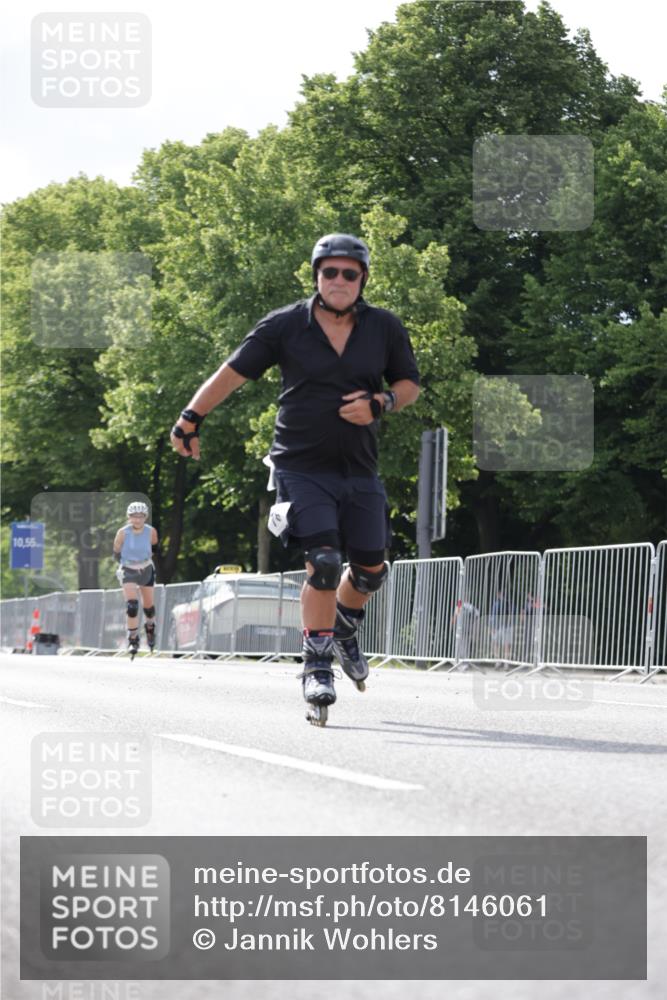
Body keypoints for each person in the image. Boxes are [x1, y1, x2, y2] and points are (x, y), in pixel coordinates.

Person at [170, 233, 421, 724]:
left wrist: (382, 402)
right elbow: (232, 373)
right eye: (330, 272)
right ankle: (317, 666)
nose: (340, 280)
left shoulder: (384, 327)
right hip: (300, 466)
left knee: (372, 570)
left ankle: (345, 624)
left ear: (363, 279)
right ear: (317, 276)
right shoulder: (285, 325)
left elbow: (408, 384)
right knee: (323, 562)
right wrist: (190, 418)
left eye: (350, 273)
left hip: (359, 468)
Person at [112, 501, 159, 657]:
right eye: (134, 516)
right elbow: (116, 552)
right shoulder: (122, 533)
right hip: (128, 569)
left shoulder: (151, 531)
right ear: (129, 517)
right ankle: (133, 639)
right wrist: (128, 564)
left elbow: (154, 548)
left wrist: (143, 562)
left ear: (145, 517)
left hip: (146, 569)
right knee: (132, 606)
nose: (137, 519)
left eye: (140, 516)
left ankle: (150, 629)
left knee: (148, 607)